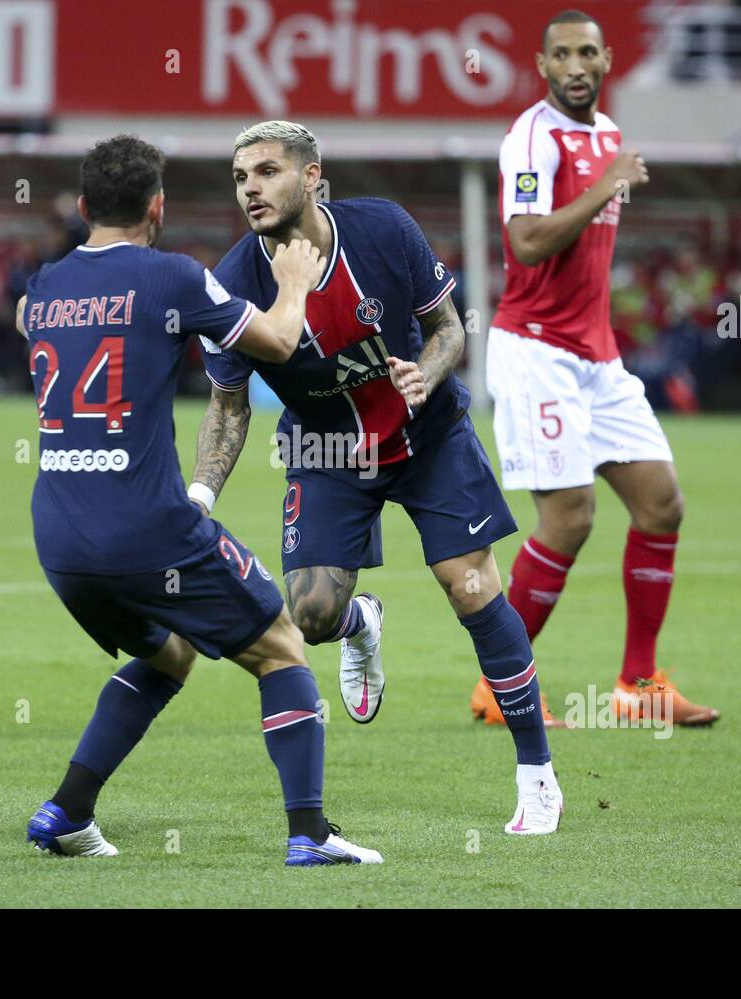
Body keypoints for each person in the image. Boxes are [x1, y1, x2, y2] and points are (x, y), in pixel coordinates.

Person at [16, 135, 380, 866]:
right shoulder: (174, 278)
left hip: (58, 534)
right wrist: (297, 279)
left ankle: (66, 811)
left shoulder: (40, 291)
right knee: (280, 644)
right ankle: (308, 832)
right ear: (157, 206)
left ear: (84, 208)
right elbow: (278, 340)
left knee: (172, 653)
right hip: (147, 528)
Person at [193, 120, 562, 835]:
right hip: (328, 449)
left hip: (427, 435)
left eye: (267, 172)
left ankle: (537, 772)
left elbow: (450, 329)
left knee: (472, 584)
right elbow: (228, 406)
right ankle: (363, 625)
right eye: (240, 178)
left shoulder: (385, 230)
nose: (251, 190)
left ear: (311, 176)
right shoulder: (233, 280)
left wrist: (423, 374)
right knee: (312, 615)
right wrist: (200, 496)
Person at [477, 9, 719, 729]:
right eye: (563, 55)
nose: (576, 65)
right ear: (544, 65)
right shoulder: (531, 137)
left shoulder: (607, 135)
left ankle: (638, 684)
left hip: (597, 357)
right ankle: (499, 685)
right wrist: (605, 185)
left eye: (588, 52)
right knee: (569, 518)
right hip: (536, 352)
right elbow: (524, 243)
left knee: (661, 504)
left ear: (607, 59)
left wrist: (606, 176)